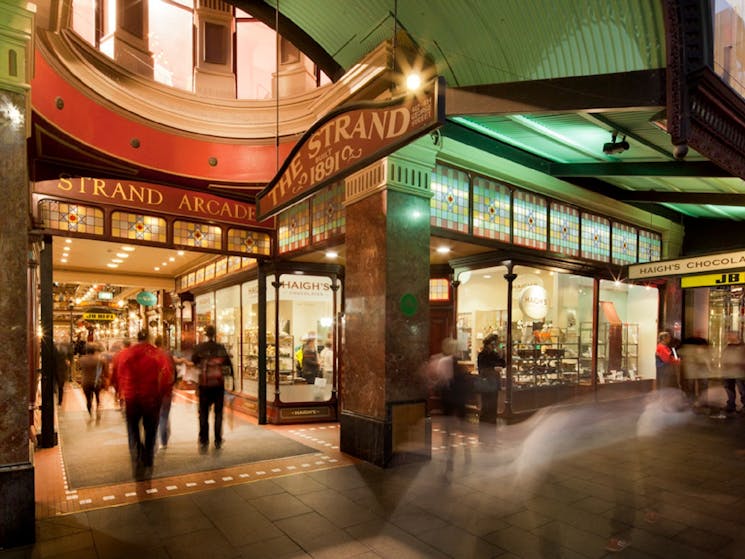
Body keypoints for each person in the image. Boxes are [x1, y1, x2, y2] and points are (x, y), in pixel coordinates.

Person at [118, 330, 172, 478]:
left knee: (133, 429)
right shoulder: (156, 354)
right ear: (148, 338)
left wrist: (120, 393)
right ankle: (148, 459)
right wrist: (164, 393)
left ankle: (138, 452)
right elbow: (166, 374)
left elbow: (120, 373)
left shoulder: (127, 353)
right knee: (150, 431)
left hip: (132, 398)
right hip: (151, 398)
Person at [191, 325, 233, 452]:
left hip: (204, 385)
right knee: (218, 414)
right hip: (218, 386)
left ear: (205, 334)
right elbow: (228, 366)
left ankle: (204, 440)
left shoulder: (200, 348)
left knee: (203, 413)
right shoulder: (220, 348)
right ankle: (218, 440)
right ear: (215, 334)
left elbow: (194, 361)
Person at [154, 335, 177, 449]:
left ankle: (155, 440)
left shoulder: (152, 354)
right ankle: (164, 441)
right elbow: (174, 370)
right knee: (164, 415)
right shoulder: (167, 354)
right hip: (167, 389)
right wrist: (173, 384)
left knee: (156, 415)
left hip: (154, 390)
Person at [476, 334, 505, 424]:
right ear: (490, 344)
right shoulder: (482, 355)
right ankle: (485, 425)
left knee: (493, 406)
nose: (496, 346)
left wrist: (502, 355)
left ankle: (492, 423)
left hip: (494, 383)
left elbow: (503, 364)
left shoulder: (494, 354)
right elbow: (482, 370)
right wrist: (493, 369)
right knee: (486, 406)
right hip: (487, 383)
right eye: (495, 343)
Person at [721, 330, 745, 415]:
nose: (728, 337)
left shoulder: (742, 347)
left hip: (739, 372)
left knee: (742, 390)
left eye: (730, 335)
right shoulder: (728, 346)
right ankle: (731, 405)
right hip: (728, 372)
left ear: (736, 336)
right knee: (729, 388)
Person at [78, 343, 104, 419]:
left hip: (86, 381)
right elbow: (102, 370)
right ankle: (98, 410)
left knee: (88, 399)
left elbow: (80, 368)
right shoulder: (99, 359)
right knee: (97, 397)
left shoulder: (82, 359)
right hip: (96, 382)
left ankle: (90, 414)